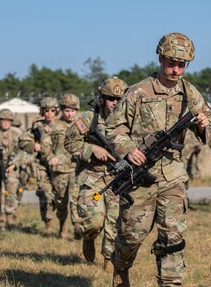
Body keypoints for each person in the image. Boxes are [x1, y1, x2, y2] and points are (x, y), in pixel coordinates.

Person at [105, 32, 211, 286]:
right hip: (140, 177)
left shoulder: (191, 94)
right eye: (170, 62)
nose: (176, 69)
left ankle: (171, 282)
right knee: (132, 235)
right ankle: (120, 267)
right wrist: (128, 149)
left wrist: (203, 123)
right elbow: (113, 128)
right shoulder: (138, 91)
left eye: (181, 65)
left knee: (173, 237)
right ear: (160, 58)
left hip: (173, 176)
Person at [65, 77, 128, 270]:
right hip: (93, 179)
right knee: (94, 220)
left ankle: (109, 260)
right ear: (102, 98)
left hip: (117, 179)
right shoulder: (88, 118)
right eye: (111, 99)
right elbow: (69, 142)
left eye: (119, 99)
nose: (115, 103)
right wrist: (91, 149)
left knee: (114, 222)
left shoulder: (130, 120)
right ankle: (89, 237)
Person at [40, 93, 80, 239]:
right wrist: (50, 157)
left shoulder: (81, 125)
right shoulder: (54, 126)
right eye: (67, 110)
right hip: (60, 171)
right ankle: (62, 226)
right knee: (61, 201)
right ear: (62, 110)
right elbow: (45, 144)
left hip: (77, 169)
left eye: (73, 110)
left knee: (76, 199)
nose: (70, 114)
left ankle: (77, 227)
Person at [18, 97, 58, 234]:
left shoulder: (63, 125)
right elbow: (22, 141)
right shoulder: (37, 126)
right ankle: (48, 222)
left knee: (59, 195)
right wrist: (32, 145)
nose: (49, 113)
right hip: (42, 166)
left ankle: (62, 222)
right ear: (42, 111)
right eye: (47, 110)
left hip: (60, 166)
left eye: (52, 110)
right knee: (44, 193)